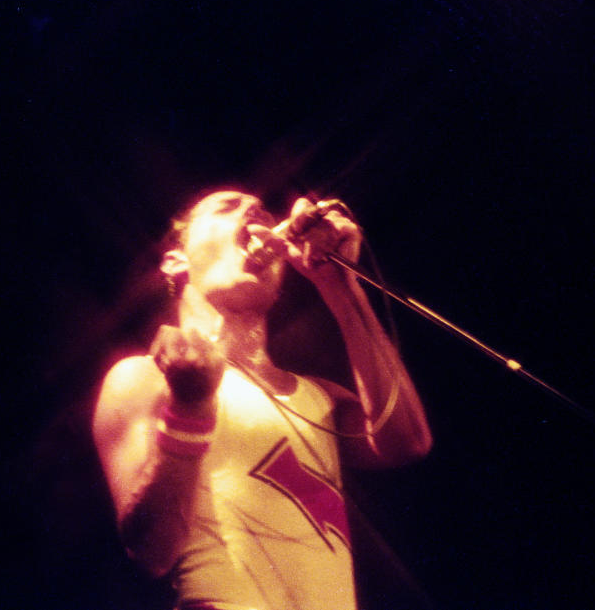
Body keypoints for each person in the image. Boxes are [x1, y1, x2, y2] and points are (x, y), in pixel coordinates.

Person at [92, 189, 433, 610]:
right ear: (175, 262)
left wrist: (339, 283)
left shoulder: (319, 395)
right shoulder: (143, 377)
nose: (254, 213)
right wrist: (191, 409)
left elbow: (406, 441)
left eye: (262, 211)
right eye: (227, 207)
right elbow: (152, 552)